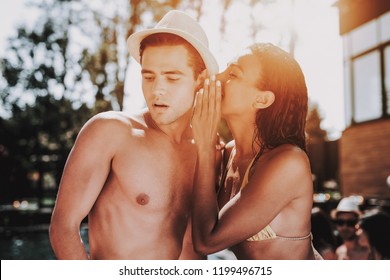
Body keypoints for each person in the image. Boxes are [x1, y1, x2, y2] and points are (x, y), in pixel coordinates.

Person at [49, 10, 218, 260]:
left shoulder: (209, 151)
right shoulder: (111, 132)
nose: (157, 90)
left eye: (172, 78)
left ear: (201, 80)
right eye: (148, 76)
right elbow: (63, 228)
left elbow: (197, 246)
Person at [191, 43, 317, 259]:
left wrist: (203, 148)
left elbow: (207, 241)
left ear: (262, 99)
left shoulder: (288, 162)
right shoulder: (228, 153)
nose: (218, 77)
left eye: (233, 74)